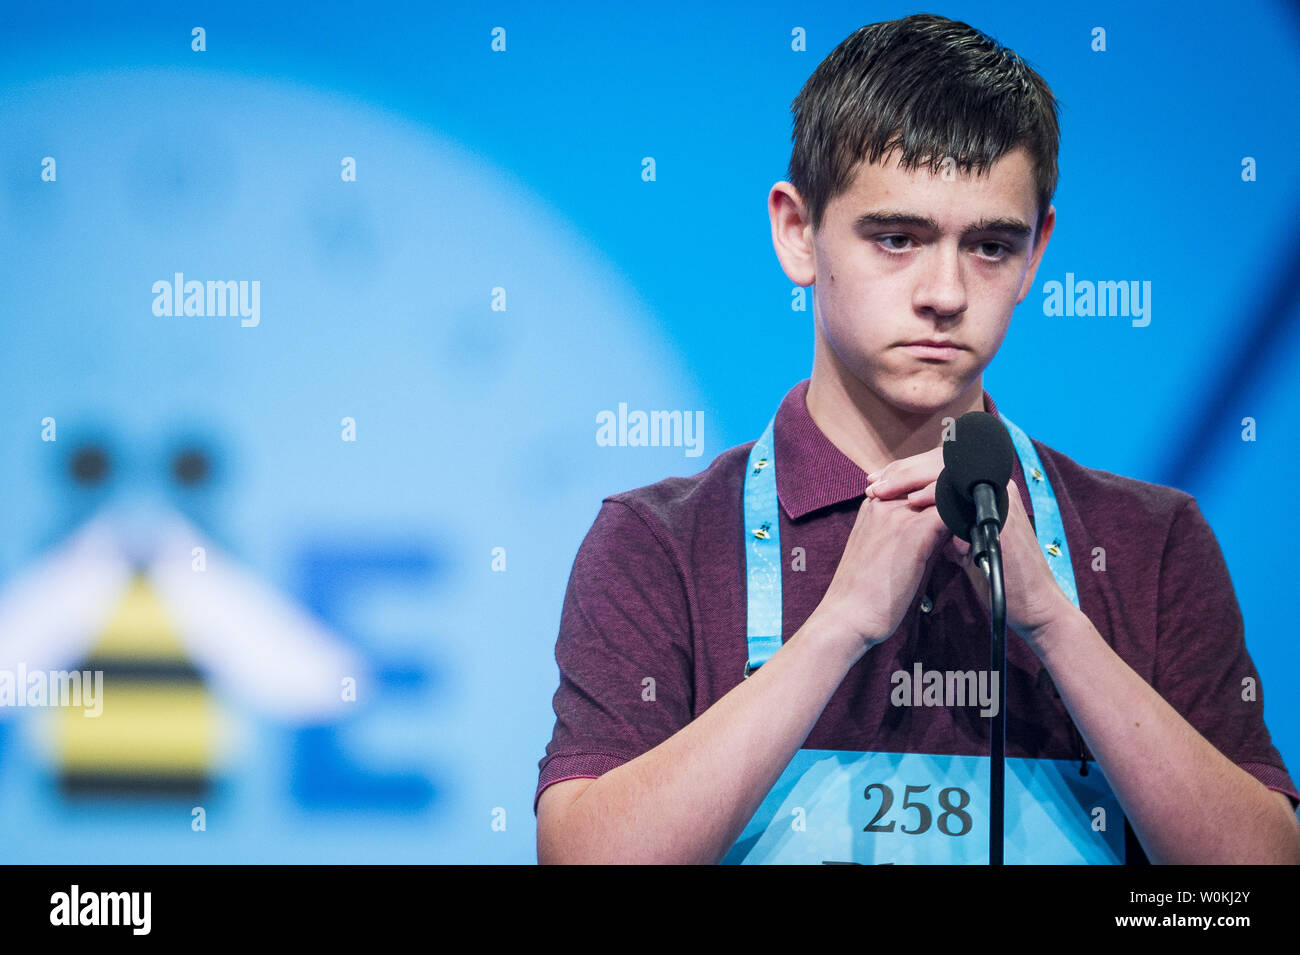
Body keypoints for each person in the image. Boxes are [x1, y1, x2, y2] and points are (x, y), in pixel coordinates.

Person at [533, 13, 1300, 864]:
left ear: (1038, 249)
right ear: (797, 232)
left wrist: (1050, 620)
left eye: (990, 245)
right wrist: (840, 626)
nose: (944, 291)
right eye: (897, 238)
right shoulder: (658, 542)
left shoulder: (1149, 541)